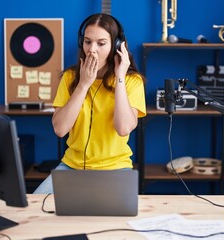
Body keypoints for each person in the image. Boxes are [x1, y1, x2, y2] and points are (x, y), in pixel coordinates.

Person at [33, 13, 146, 194]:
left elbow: (123, 128)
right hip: (71, 167)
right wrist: (84, 84)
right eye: (87, 42)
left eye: (101, 43)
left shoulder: (132, 81)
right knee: (35, 207)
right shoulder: (70, 78)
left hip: (116, 168)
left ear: (117, 46)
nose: (92, 50)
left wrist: (120, 77)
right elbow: (60, 129)